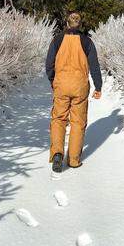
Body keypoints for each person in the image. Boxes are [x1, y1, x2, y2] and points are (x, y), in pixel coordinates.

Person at [45, 11, 102, 173]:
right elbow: (95, 66)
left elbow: (49, 64)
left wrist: (52, 81)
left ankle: (57, 152)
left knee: (58, 119)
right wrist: (98, 87)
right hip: (80, 87)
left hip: (61, 84)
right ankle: (74, 160)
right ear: (80, 24)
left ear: (67, 23)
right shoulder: (87, 42)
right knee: (78, 122)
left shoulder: (57, 39)